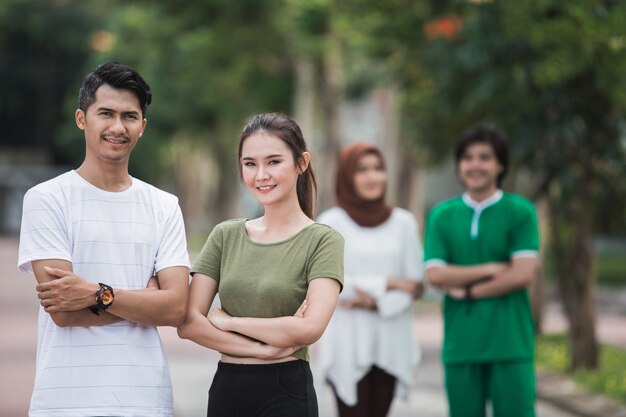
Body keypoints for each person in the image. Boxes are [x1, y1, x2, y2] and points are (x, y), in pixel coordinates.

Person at [17, 62, 191, 417]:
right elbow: (64, 312)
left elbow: (175, 309)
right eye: (105, 113)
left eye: (129, 116)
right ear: (82, 118)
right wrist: (146, 301)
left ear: (143, 126)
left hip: (146, 400)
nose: (117, 127)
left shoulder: (164, 206)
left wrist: (97, 294)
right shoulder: (47, 198)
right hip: (65, 402)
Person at [177, 112, 344, 417]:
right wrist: (262, 348)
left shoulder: (323, 240)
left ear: (301, 163)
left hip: (286, 392)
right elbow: (189, 323)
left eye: (274, 162)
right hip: (227, 389)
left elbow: (309, 327)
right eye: (250, 164)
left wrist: (230, 322)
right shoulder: (225, 235)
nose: (261, 175)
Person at [423, 126, 540, 417]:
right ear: (459, 165)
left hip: (511, 344)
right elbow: (435, 275)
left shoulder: (521, 212)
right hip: (461, 345)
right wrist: (490, 268)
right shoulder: (442, 215)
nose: (475, 165)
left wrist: (468, 291)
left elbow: (522, 275)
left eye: (485, 157)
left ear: (500, 164)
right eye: (467, 158)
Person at [314, 142, 424, 417]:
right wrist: (389, 283)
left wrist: (376, 303)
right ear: (347, 176)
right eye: (361, 170)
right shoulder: (331, 223)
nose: (372, 176)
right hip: (347, 340)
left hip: (390, 338)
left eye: (378, 169)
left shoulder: (404, 223)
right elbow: (330, 282)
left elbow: (416, 284)